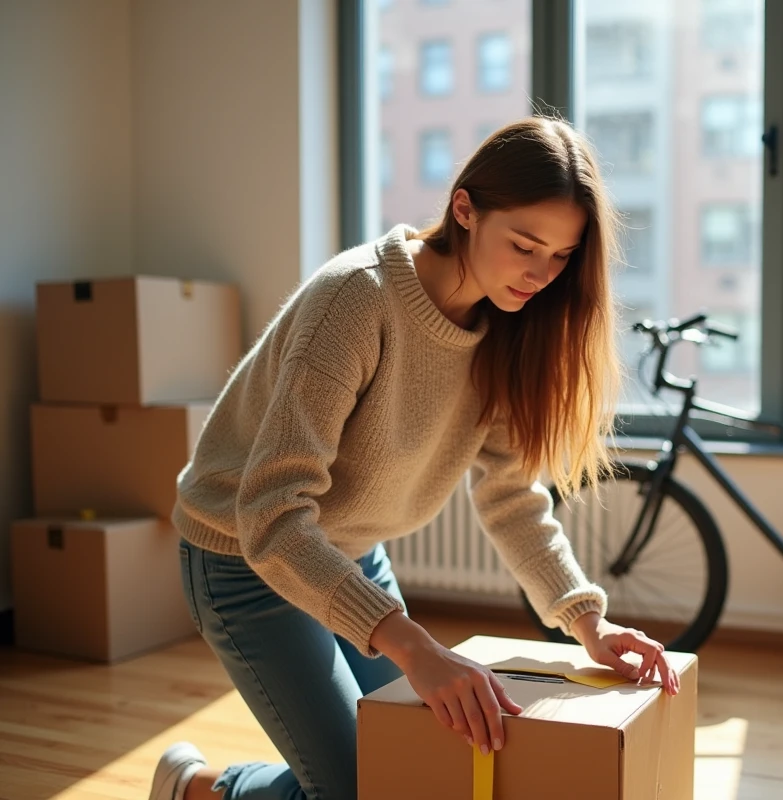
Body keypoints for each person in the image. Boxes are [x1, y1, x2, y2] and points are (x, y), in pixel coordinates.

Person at [149, 116, 679, 800]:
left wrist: (588, 620)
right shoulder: (355, 301)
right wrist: (413, 643)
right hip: (245, 557)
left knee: (417, 766)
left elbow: (511, 495)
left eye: (561, 257)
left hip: (348, 550)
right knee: (360, 789)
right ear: (464, 209)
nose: (541, 274)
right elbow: (272, 517)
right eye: (524, 245)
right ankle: (203, 789)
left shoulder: (504, 326)